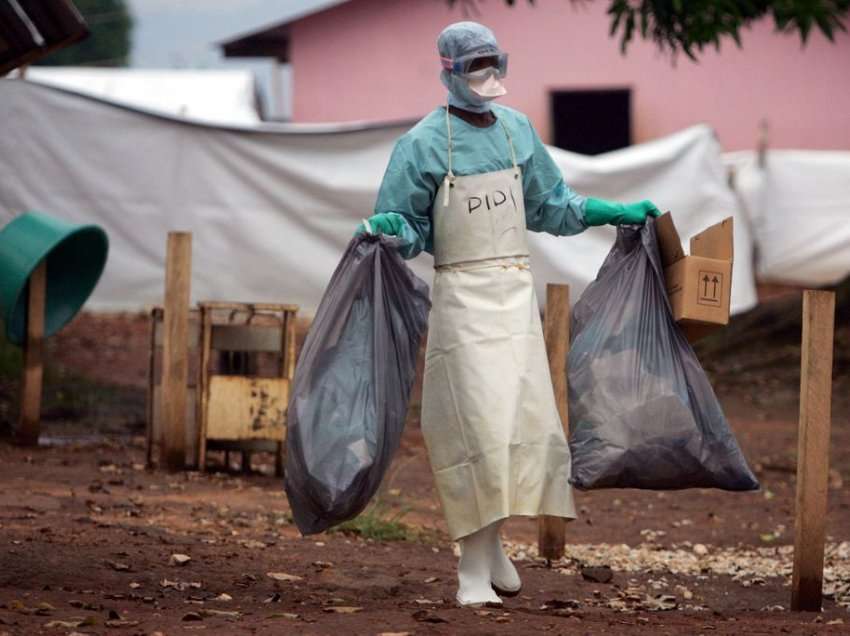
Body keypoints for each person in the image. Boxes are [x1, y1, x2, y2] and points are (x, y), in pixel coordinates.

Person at [356, 21, 660, 607]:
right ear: (448, 70)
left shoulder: (518, 130)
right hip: (462, 300)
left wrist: (611, 210)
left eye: (494, 62)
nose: (487, 74)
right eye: (474, 65)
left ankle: (491, 545)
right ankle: (471, 565)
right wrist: (394, 228)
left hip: (513, 297)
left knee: (517, 425)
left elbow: (552, 207)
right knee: (474, 424)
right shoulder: (421, 144)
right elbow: (410, 227)